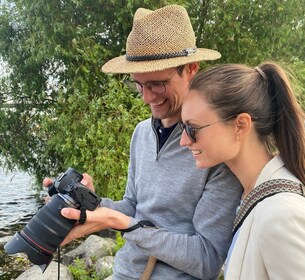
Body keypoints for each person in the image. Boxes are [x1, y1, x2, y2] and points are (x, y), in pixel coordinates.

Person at [45, 5, 242, 279]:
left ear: (191, 69)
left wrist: (126, 225)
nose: (147, 98)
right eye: (139, 85)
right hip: (124, 272)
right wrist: (90, 203)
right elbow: (133, 206)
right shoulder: (141, 133)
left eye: (158, 84)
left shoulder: (215, 146)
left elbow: (207, 259)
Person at [180, 61, 305, 280]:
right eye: (183, 128)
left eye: (192, 128)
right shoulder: (250, 193)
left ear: (241, 125)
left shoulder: (280, 213)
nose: (183, 141)